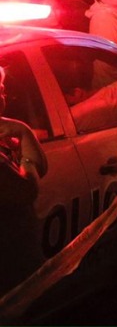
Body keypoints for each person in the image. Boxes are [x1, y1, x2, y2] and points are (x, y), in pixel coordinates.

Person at [0, 64, 49, 294]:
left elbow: (42, 166)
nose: (4, 97)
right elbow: (27, 190)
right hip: (11, 272)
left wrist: (21, 131)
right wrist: (23, 134)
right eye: (0, 90)